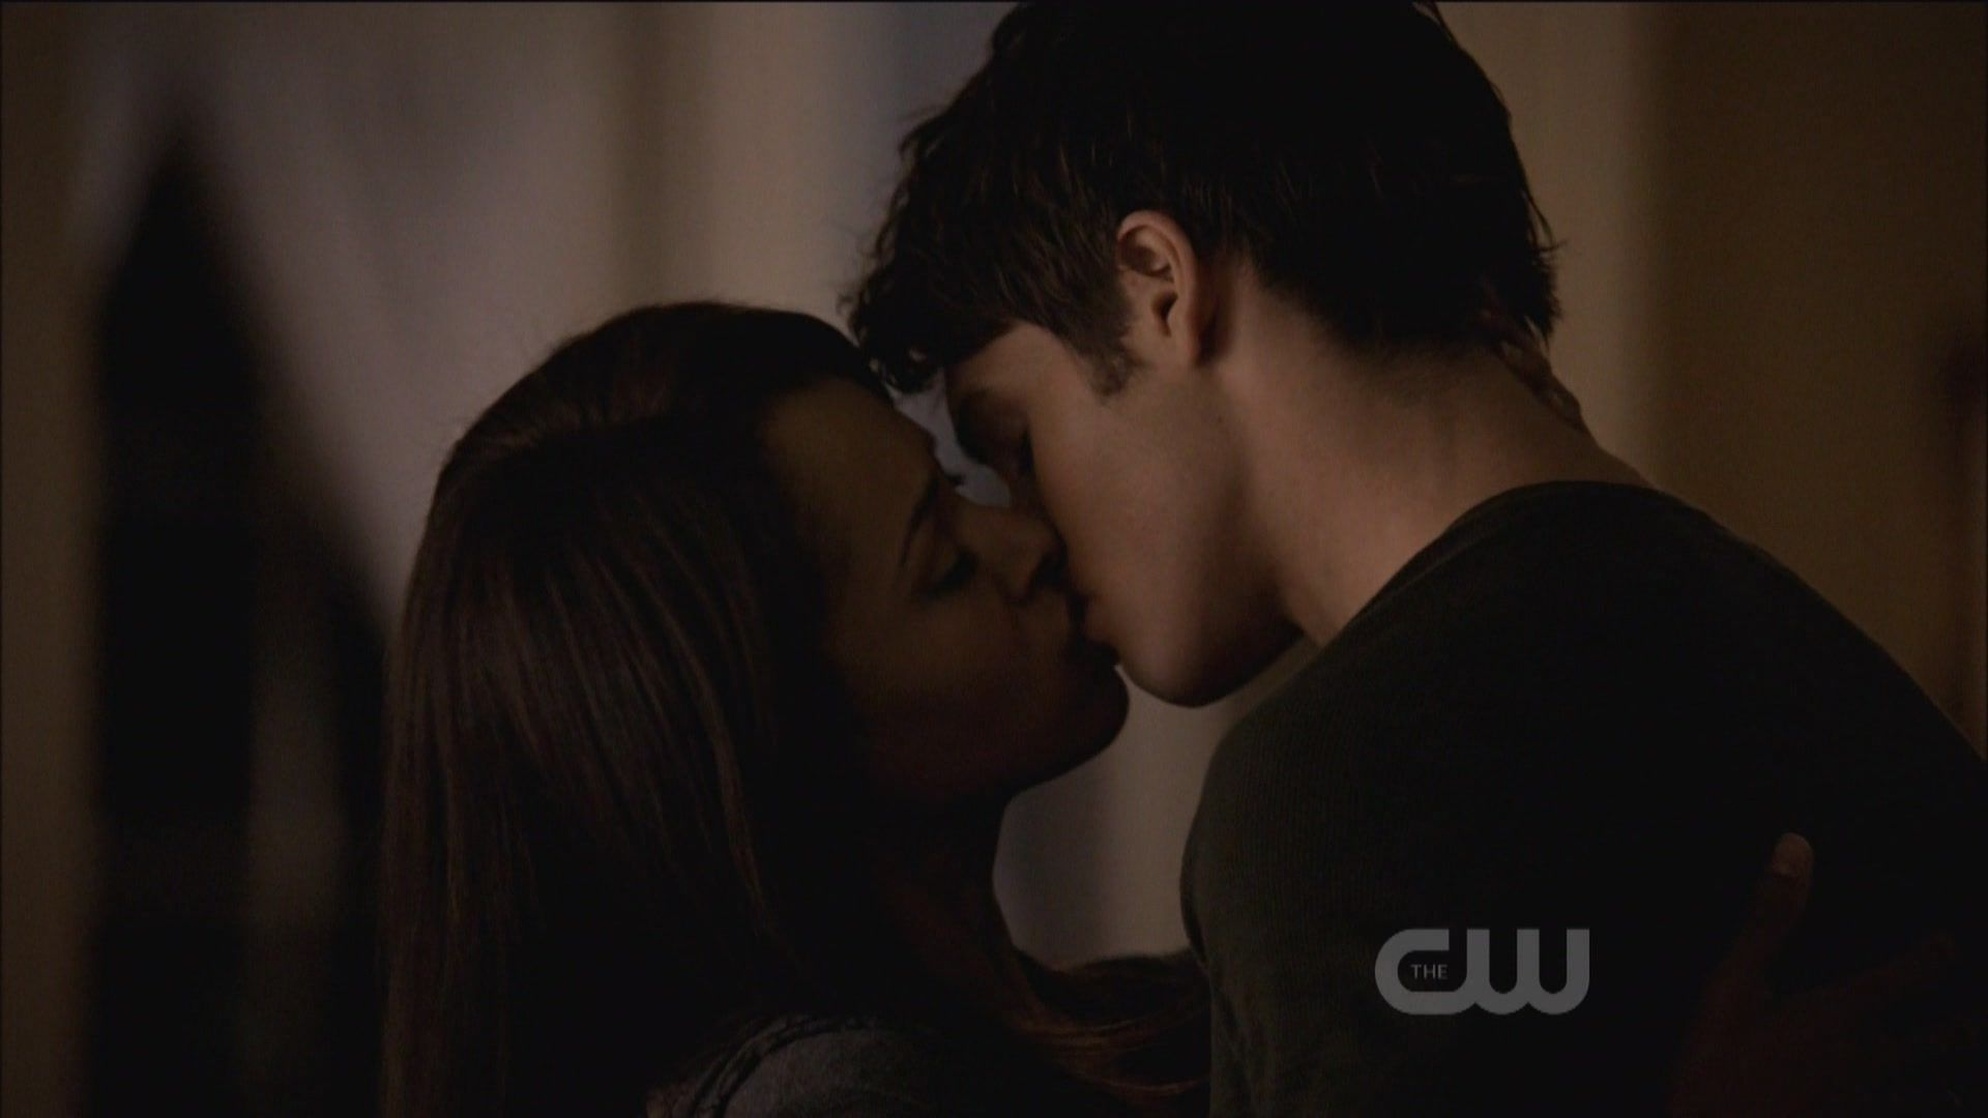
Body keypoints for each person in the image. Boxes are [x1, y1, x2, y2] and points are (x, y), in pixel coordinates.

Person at [382, 303, 1952, 1118]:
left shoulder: (1138, 1019)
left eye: (958, 485)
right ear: (784, 746)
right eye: (942, 563)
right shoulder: (835, 1102)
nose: (1025, 538)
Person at [847, 2, 1988, 1114]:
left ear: (1157, 283)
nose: (1032, 532)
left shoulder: (1358, 779)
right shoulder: (1780, 656)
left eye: (1018, 444)